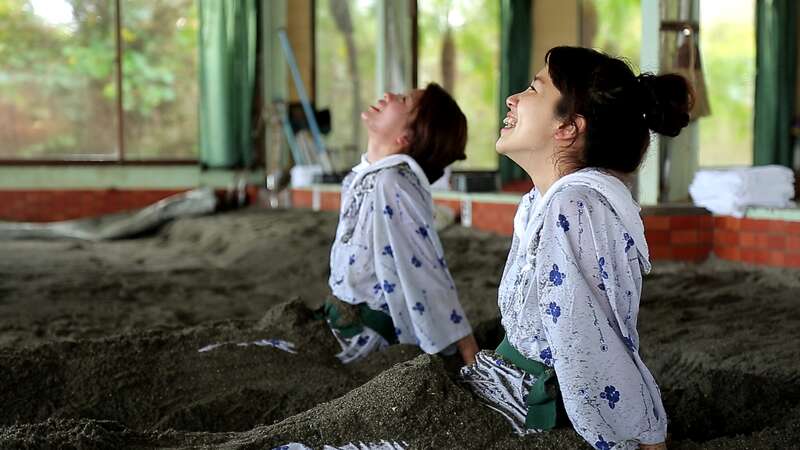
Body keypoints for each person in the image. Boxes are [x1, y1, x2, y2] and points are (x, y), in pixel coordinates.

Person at [460, 46, 692, 450]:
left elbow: (584, 339)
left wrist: (635, 434)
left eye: (534, 89)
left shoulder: (575, 207)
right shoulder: (543, 200)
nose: (512, 99)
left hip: (524, 410)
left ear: (568, 126)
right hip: (501, 385)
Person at [324, 83, 479, 365]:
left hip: (364, 335)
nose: (389, 95)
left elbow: (424, 264)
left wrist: (467, 347)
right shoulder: (361, 179)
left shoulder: (393, 183)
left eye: (404, 99)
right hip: (336, 316)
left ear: (406, 137)